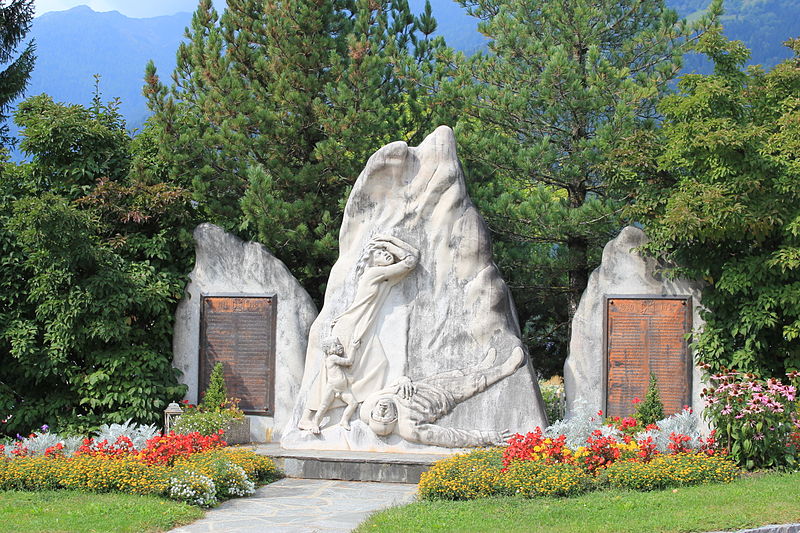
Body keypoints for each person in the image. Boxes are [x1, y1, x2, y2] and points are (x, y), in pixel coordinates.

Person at [299, 234, 420, 432]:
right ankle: (308, 417)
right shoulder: (374, 273)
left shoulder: (385, 279)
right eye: (380, 253)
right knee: (330, 374)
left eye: (387, 252)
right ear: (371, 260)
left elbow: (413, 257)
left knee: (377, 365)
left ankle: (347, 406)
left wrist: (389, 241)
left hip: (359, 327)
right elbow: (408, 261)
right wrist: (387, 242)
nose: (386, 254)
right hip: (351, 327)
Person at [358, 346, 525, 447]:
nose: (382, 409)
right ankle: (507, 369)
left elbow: (395, 384)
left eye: (377, 414)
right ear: (393, 420)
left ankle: (482, 366)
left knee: (454, 374)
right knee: (473, 383)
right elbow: (449, 437)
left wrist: (403, 380)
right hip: (441, 398)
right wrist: (486, 437)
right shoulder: (409, 429)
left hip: (424, 384)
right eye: (384, 417)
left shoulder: (374, 402)